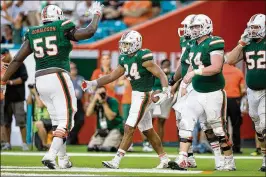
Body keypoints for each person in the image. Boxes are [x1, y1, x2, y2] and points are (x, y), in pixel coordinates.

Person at [0, 2, 104, 169]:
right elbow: (89, 32)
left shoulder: (33, 32)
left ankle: (63, 159)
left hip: (40, 80)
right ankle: (50, 154)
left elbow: (17, 59)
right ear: (58, 17)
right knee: (68, 118)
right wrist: (97, 15)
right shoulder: (62, 26)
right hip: (57, 75)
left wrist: (3, 80)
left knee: (57, 119)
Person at [82, 30, 171, 169]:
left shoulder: (143, 56)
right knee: (147, 130)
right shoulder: (124, 58)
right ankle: (164, 159)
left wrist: (166, 90)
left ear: (136, 44)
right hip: (137, 95)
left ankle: (116, 161)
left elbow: (160, 73)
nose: (124, 47)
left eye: (128, 44)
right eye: (124, 44)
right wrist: (93, 83)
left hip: (144, 95)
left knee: (129, 127)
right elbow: (112, 76)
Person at [169, 14, 236, 171]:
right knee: (185, 121)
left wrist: (194, 73)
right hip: (196, 91)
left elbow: (216, 67)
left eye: (197, 27)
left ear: (207, 26)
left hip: (213, 92)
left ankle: (228, 159)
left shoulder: (214, 41)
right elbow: (192, 64)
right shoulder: (192, 44)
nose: (194, 30)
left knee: (218, 129)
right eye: (192, 27)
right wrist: (185, 80)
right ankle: (182, 158)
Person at [226, 13, 265, 172]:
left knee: (264, 124)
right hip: (252, 91)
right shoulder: (247, 43)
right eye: (251, 27)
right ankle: (264, 156)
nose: (253, 30)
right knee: (258, 126)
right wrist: (241, 43)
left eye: (256, 27)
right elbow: (230, 60)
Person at [1, 48, 28, 151]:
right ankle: (8, 143)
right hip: (6, 98)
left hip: (18, 98)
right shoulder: (2, 66)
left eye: (4, 55)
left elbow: (24, 77)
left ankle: (24, 143)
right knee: (7, 122)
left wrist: (10, 82)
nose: (3, 57)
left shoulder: (19, 63)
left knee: (21, 122)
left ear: (8, 54)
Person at [86, 86, 123, 152]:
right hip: (101, 130)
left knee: (107, 148)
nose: (102, 95)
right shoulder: (96, 102)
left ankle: (120, 143)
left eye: (103, 93)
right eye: (99, 93)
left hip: (114, 128)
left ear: (106, 93)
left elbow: (111, 117)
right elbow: (88, 114)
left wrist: (104, 103)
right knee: (91, 148)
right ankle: (111, 143)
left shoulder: (112, 101)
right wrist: (94, 100)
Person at [222, 63, 246, 153]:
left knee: (223, 126)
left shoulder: (220, 71)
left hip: (222, 100)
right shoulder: (238, 72)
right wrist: (239, 98)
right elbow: (243, 90)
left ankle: (224, 148)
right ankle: (236, 148)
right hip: (234, 100)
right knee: (236, 125)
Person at [152, 59, 173, 141]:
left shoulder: (171, 75)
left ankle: (159, 142)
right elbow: (151, 84)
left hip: (164, 100)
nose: (166, 66)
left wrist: (167, 76)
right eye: (165, 64)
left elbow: (172, 86)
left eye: (168, 65)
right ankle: (148, 143)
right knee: (150, 121)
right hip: (155, 99)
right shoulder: (156, 74)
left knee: (161, 122)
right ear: (161, 65)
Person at [67, 62, 88, 145]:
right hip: (68, 102)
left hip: (78, 102)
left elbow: (85, 92)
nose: (74, 70)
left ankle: (71, 138)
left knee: (80, 120)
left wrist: (86, 101)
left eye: (75, 68)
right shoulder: (66, 79)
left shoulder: (81, 79)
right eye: (71, 68)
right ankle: (73, 140)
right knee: (70, 122)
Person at [27, 84, 52, 151]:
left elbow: (40, 105)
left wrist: (35, 93)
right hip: (39, 124)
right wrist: (30, 92)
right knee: (39, 147)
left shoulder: (47, 97)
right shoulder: (36, 97)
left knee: (39, 123)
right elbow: (28, 102)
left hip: (48, 121)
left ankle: (45, 143)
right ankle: (44, 145)